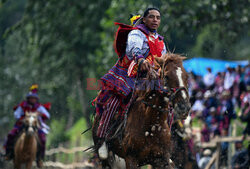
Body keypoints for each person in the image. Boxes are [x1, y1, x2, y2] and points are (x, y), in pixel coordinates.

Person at [94, 7, 167, 159]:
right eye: (152, 17)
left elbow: (164, 60)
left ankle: (165, 142)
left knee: (168, 105)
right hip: (131, 76)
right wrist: (140, 59)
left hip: (152, 80)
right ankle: (102, 140)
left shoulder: (160, 40)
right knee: (113, 103)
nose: (155, 20)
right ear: (144, 20)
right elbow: (133, 49)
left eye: (158, 17)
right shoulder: (137, 33)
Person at [4, 84, 50, 166]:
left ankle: (40, 158)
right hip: (22, 125)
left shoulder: (39, 107)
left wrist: (40, 114)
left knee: (42, 139)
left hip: (35, 126)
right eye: (31, 98)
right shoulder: (23, 105)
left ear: (36, 99)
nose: (33, 100)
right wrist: (23, 119)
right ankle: (9, 153)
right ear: (28, 98)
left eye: (34, 98)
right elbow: (16, 114)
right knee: (11, 135)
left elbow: (47, 115)